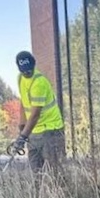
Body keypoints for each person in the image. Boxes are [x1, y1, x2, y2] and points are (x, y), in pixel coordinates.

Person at [13, 50, 66, 179]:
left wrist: (23, 136)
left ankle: (59, 197)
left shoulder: (39, 83)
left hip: (50, 130)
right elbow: (23, 101)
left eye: (29, 70)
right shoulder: (20, 79)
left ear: (34, 66)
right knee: (36, 172)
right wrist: (22, 125)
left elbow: (35, 114)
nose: (26, 73)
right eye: (23, 70)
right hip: (34, 132)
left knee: (55, 172)